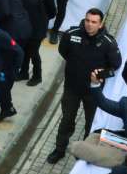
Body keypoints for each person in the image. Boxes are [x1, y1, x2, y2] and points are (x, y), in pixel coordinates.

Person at [48, 9, 121, 164]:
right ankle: (59, 149)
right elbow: (64, 51)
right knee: (67, 120)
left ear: (101, 24)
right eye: (87, 20)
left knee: (90, 124)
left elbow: (115, 65)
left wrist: (101, 75)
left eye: (94, 22)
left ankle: (84, 152)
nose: (89, 24)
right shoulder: (71, 34)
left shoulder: (108, 43)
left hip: (93, 92)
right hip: (72, 88)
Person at [18, 0, 55, 87]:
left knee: (33, 52)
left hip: (37, 29)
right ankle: (23, 72)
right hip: (25, 26)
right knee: (24, 50)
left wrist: (41, 19)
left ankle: (37, 76)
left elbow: (52, 12)